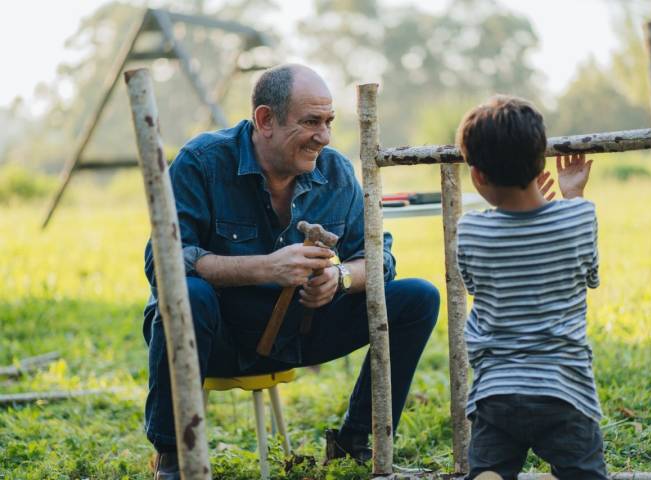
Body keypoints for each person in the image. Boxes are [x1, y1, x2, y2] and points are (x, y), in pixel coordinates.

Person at [144, 64, 440, 479]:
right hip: (218, 338)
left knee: (419, 297)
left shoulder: (336, 174)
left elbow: (379, 261)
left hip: (300, 332)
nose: (324, 136)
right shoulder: (202, 163)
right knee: (188, 296)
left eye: (329, 121)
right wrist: (266, 267)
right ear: (265, 120)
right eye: (311, 122)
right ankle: (174, 458)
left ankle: (353, 443)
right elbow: (164, 264)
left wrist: (340, 279)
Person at [455, 95, 607, 480]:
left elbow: (474, 283)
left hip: (496, 390)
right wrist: (571, 197)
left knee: (489, 467)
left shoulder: (470, 230)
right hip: (564, 387)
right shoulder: (579, 217)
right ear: (541, 161)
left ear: (478, 176)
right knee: (583, 471)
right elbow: (590, 277)